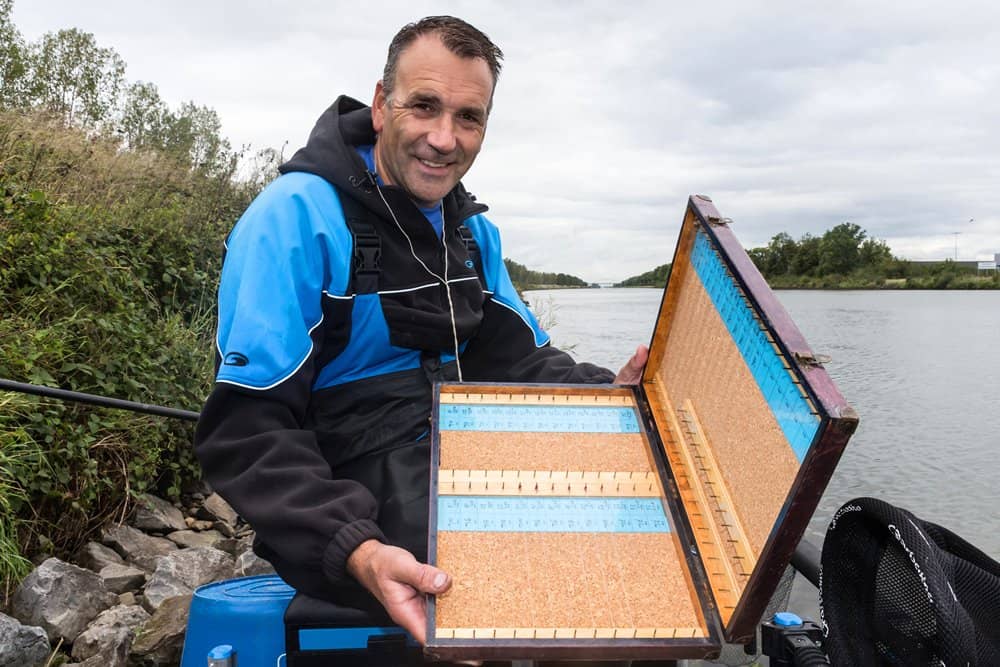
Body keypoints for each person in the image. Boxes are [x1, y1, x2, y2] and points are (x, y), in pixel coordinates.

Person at [194, 15, 648, 644]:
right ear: (381, 105)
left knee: (631, 537)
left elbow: (521, 362)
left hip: (460, 455)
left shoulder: (471, 232)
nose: (444, 138)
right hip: (344, 482)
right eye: (424, 106)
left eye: (469, 117)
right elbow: (247, 432)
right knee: (505, 591)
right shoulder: (295, 218)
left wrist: (610, 394)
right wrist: (357, 547)